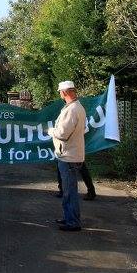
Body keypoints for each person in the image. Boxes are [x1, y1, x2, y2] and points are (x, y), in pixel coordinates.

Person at [50, 80, 87, 232]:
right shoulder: (76, 107)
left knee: (70, 192)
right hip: (71, 154)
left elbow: (63, 134)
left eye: (60, 92)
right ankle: (69, 217)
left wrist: (50, 131)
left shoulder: (72, 110)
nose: (60, 94)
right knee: (68, 191)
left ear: (64, 92)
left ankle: (73, 222)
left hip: (69, 156)